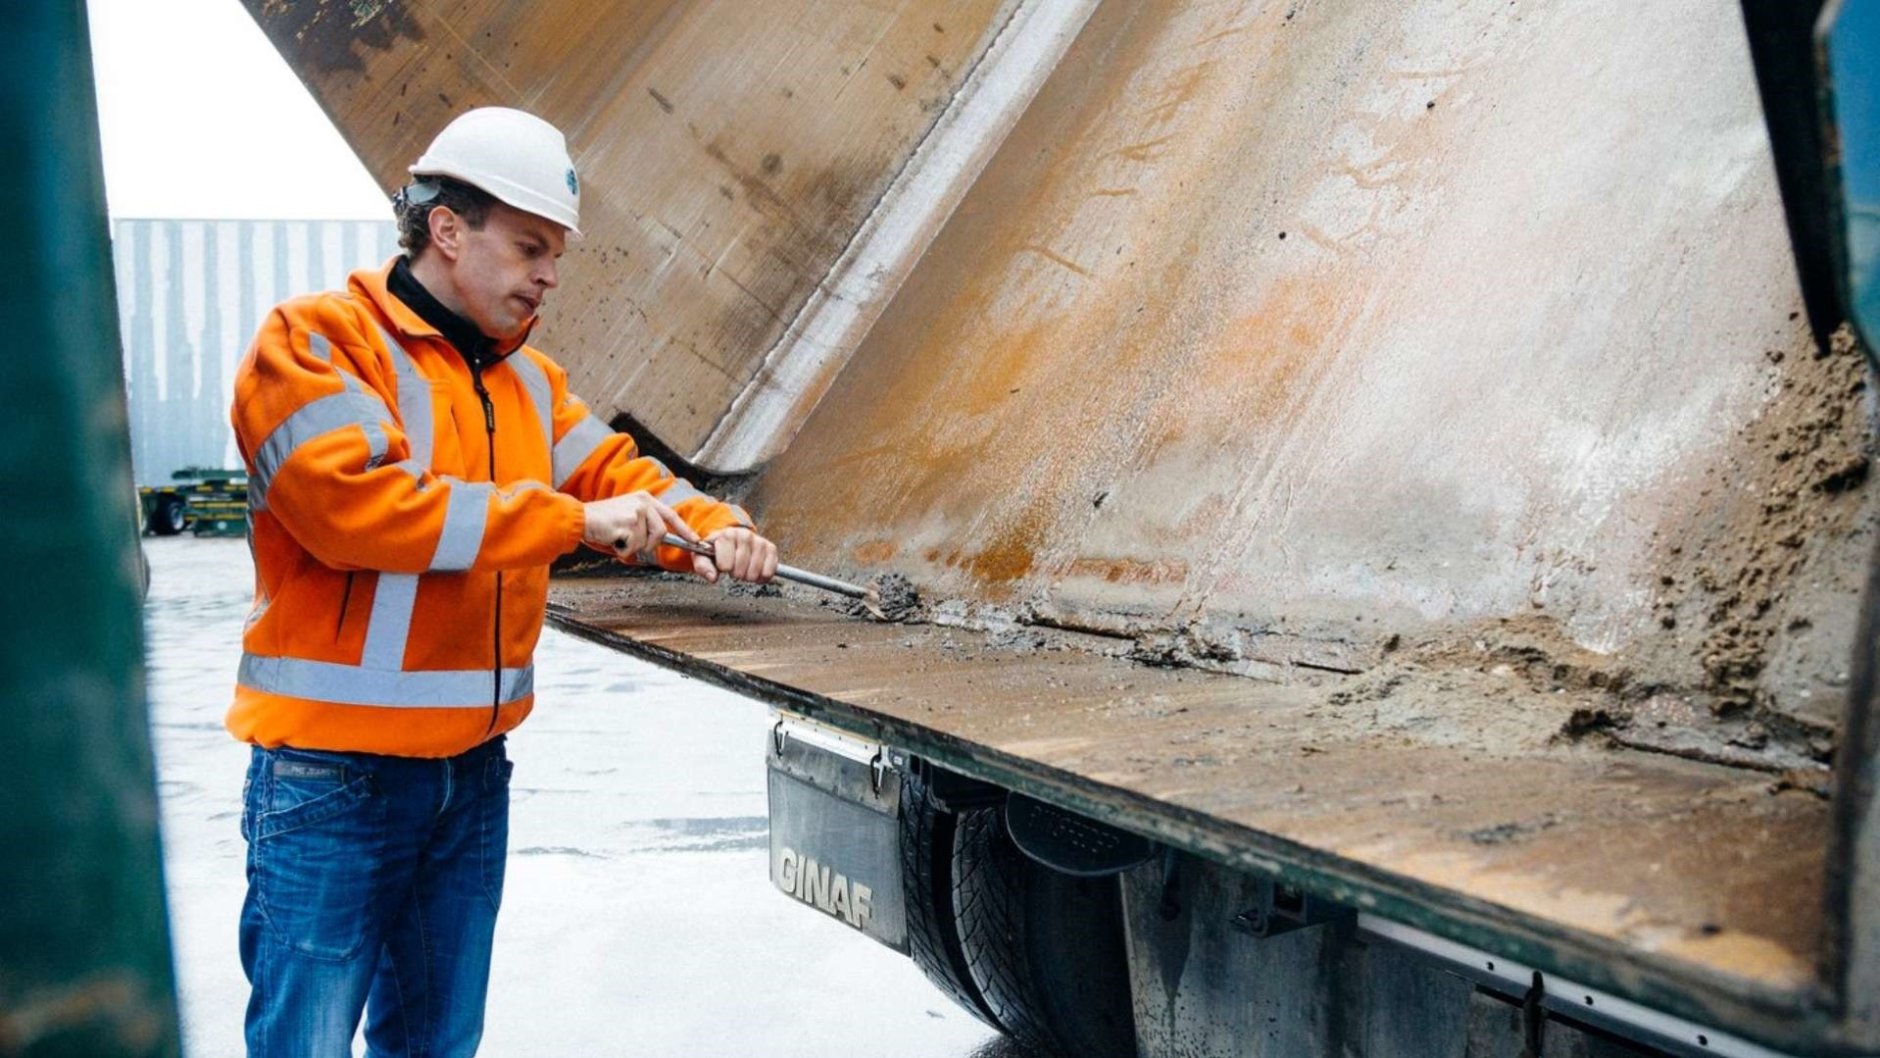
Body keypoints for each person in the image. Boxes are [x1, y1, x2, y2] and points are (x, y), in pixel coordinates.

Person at [225, 106, 778, 1056]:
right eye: (529, 248)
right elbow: (356, 509)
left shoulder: (526, 384)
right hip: (331, 784)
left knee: (439, 1046)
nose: (548, 277)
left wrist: (715, 528)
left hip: (470, 781)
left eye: (555, 254)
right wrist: (569, 522)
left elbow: (618, 475)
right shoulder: (316, 345)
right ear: (447, 228)